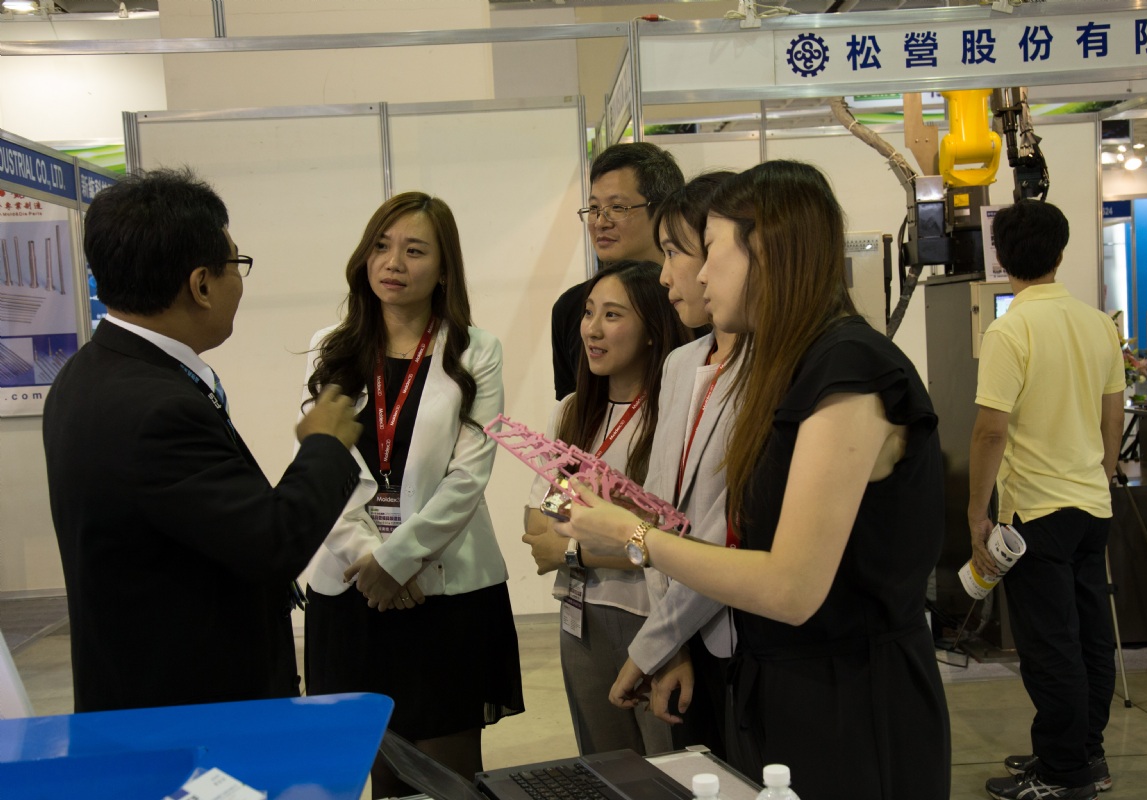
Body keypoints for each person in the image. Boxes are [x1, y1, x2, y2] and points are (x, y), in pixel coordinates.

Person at [556, 161, 951, 800]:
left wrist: (634, 536)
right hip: (776, 685)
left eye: (709, 250)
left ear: (764, 248)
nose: (697, 275)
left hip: (849, 703)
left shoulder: (848, 369)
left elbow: (792, 587)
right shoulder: (789, 368)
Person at [42, 167, 363, 713]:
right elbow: (271, 543)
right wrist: (325, 445)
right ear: (201, 285)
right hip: (192, 709)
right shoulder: (157, 409)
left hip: (142, 689)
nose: (240, 281)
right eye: (236, 264)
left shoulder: (90, 371)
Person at [301, 192, 523, 792]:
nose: (393, 262)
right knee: (375, 766)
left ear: (444, 268)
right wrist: (370, 560)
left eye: (414, 250)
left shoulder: (476, 349)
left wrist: (398, 560)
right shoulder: (330, 346)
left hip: (444, 590)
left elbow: (469, 474)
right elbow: (323, 462)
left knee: (446, 778)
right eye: (381, 246)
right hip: (352, 586)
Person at [968, 200, 1124, 800]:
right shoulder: (1098, 324)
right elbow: (1113, 417)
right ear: (1061, 253)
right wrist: (1099, 478)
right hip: (1091, 508)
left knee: (1049, 646)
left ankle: (1063, 774)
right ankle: (1085, 754)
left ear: (1000, 256)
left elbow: (990, 432)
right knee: (1090, 639)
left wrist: (976, 513)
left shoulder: (1010, 330)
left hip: (1036, 513)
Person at [523, 260, 690, 756]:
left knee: (668, 765)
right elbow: (539, 523)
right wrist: (614, 533)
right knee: (604, 766)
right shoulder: (572, 411)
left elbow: (670, 542)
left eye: (613, 315)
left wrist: (573, 550)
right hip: (581, 616)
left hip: (655, 617)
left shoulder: (673, 416)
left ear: (652, 330)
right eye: (589, 312)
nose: (592, 329)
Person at [607, 172, 740, 759]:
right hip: (679, 635)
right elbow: (660, 511)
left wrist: (656, 642)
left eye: (675, 252)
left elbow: (721, 531)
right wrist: (671, 645)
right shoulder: (682, 364)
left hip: (740, 633)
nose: (665, 275)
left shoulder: (771, 372)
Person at [552, 142, 685, 399]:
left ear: (661, 210)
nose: (601, 222)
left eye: (617, 208)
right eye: (594, 209)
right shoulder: (570, 309)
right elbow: (570, 408)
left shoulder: (690, 302)